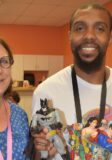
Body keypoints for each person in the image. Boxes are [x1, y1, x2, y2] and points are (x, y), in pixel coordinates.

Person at [32, 3, 112, 159]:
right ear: (69, 36)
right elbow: (37, 153)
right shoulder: (46, 93)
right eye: (80, 28)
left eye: (100, 28)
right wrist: (41, 153)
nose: (89, 35)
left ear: (110, 37)